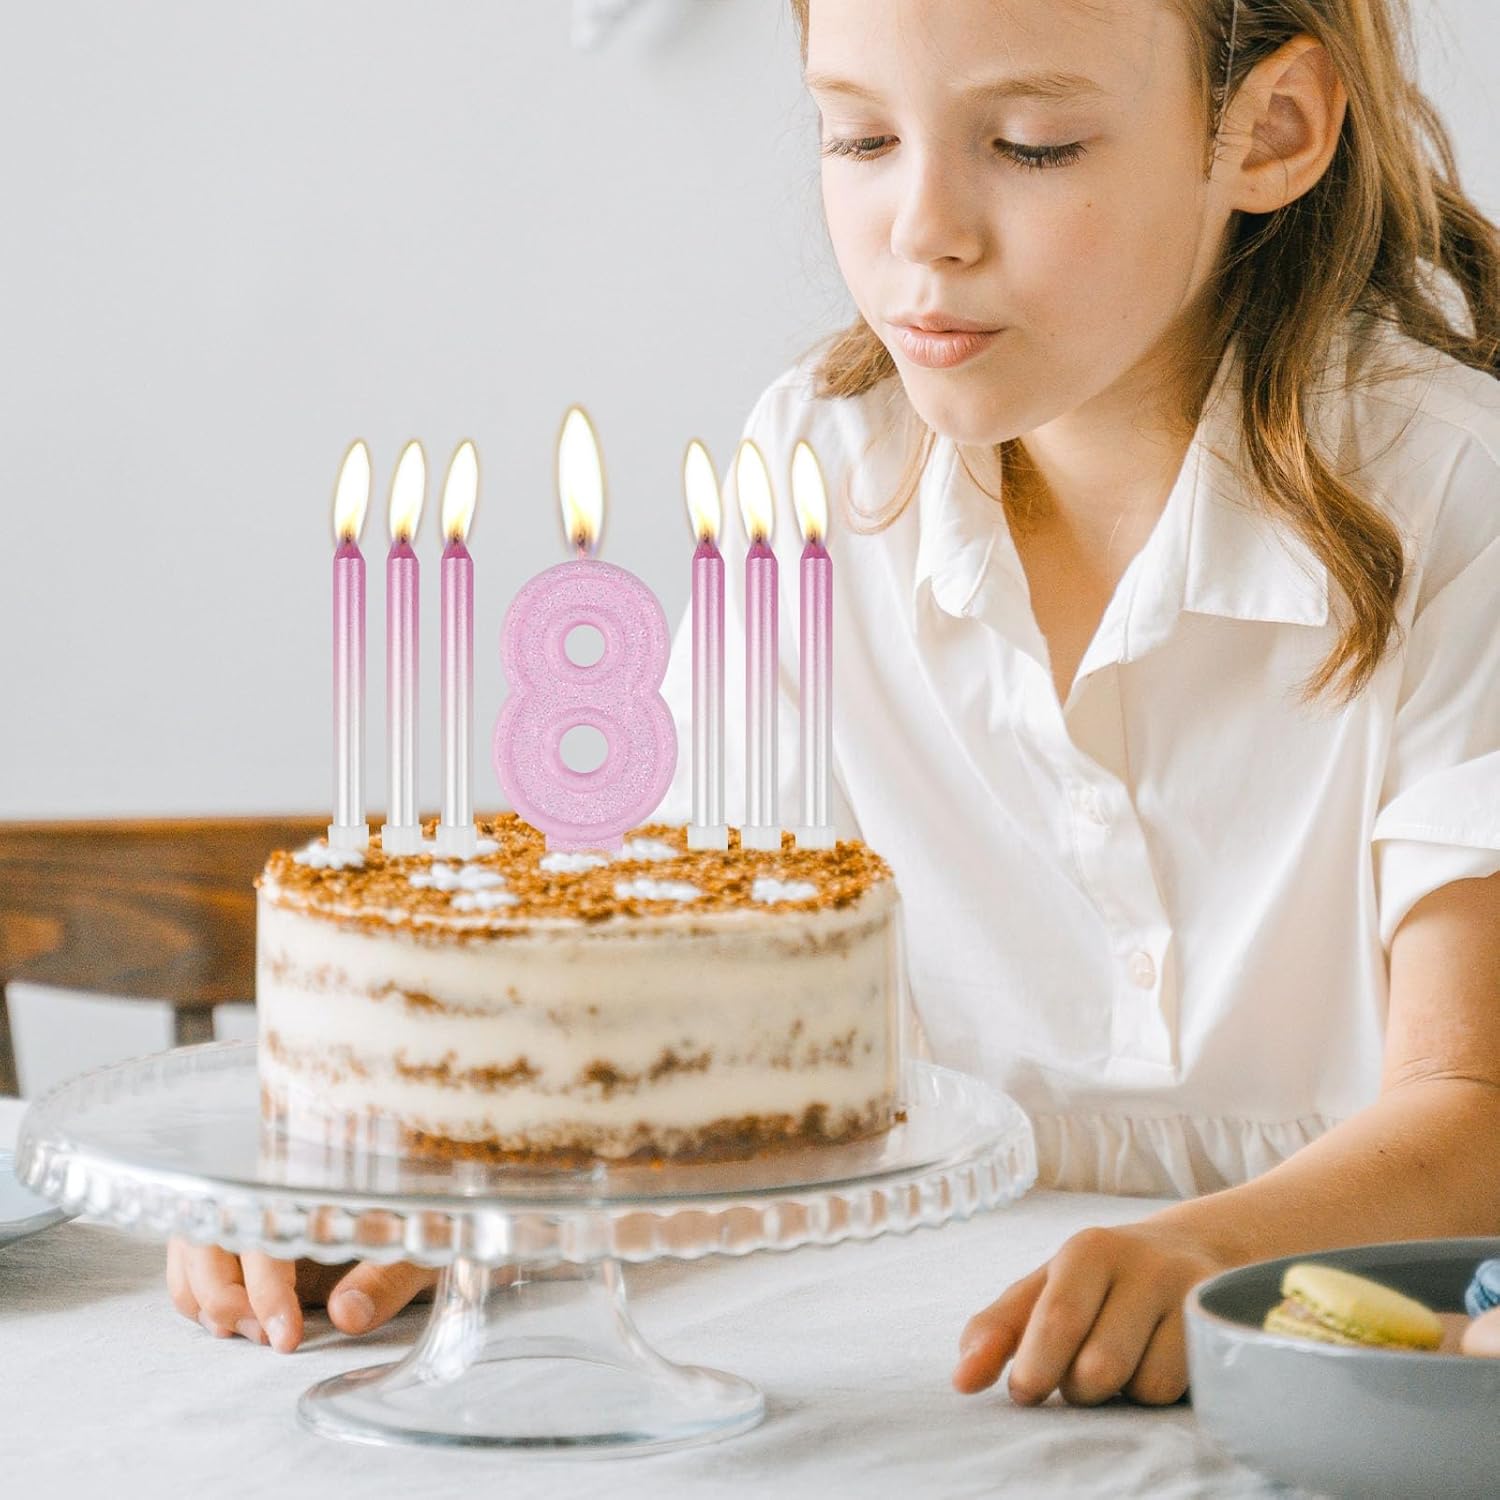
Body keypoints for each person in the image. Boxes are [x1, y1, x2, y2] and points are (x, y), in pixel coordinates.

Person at [170, 0, 1500, 1409]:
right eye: (859, 135)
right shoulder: (819, 468)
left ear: (1270, 130)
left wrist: (1213, 1250)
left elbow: (1475, 1111)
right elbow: (672, 1003)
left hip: (1356, 1378)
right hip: (911, 1372)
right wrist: (434, 1205)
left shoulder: (1453, 494)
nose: (923, 230)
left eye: (1033, 146)